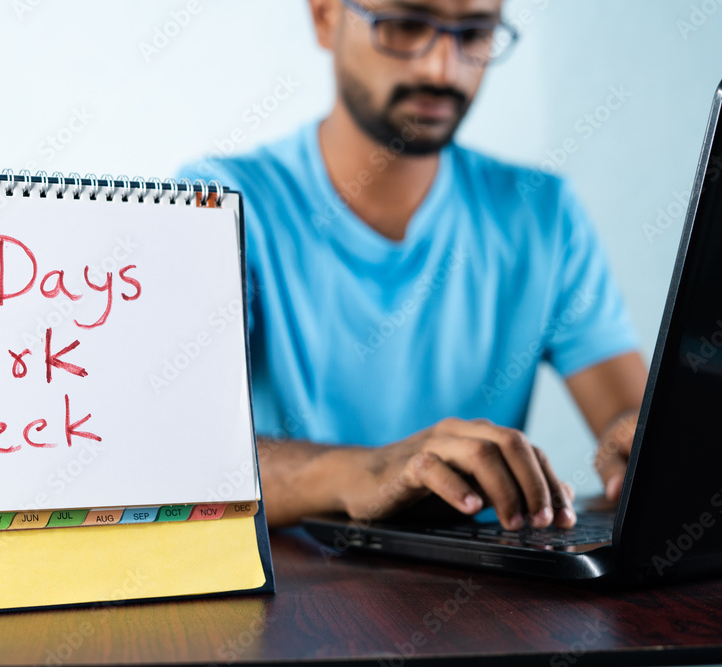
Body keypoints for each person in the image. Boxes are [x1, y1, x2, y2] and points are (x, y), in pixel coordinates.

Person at [178, 0, 648, 531]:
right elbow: (184, 456)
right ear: (325, 17)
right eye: (404, 24)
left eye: (473, 33)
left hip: (485, 594)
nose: (440, 69)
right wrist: (368, 471)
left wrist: (636, 444)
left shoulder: (542, 214)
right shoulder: (218, 202)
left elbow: (630, 424)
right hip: (293, 597)